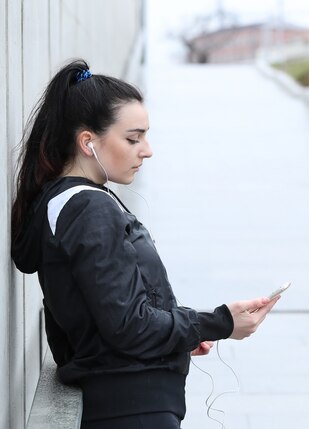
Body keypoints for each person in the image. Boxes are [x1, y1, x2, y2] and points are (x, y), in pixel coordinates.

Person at [10, 59, 279, 429]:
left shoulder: (66, 201)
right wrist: (219, 322)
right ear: (88, 142)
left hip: (127, 397)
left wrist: (180, 333)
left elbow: (108, 311)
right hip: (131, 405)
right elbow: (127, 326)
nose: (147, 150)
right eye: (133, 138)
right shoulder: (89, 208)